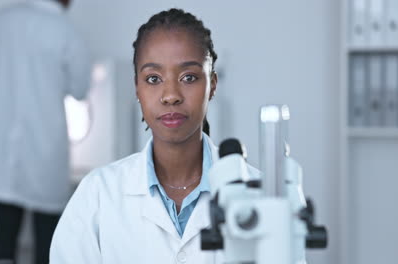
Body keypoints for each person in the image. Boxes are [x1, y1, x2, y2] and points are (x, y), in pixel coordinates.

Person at [50, 8, 258, 263]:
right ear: (137, 88)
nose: (171, 95)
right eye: (153, 78)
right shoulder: (98, 194)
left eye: (189, 77)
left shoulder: (261, 195)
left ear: (212, 85)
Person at [0, 0, 90, 263]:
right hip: (45, 146)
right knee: (48, 242)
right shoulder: (65, 30)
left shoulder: (2, 20)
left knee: (4, 239)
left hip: (4, 148)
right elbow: (80, 89)